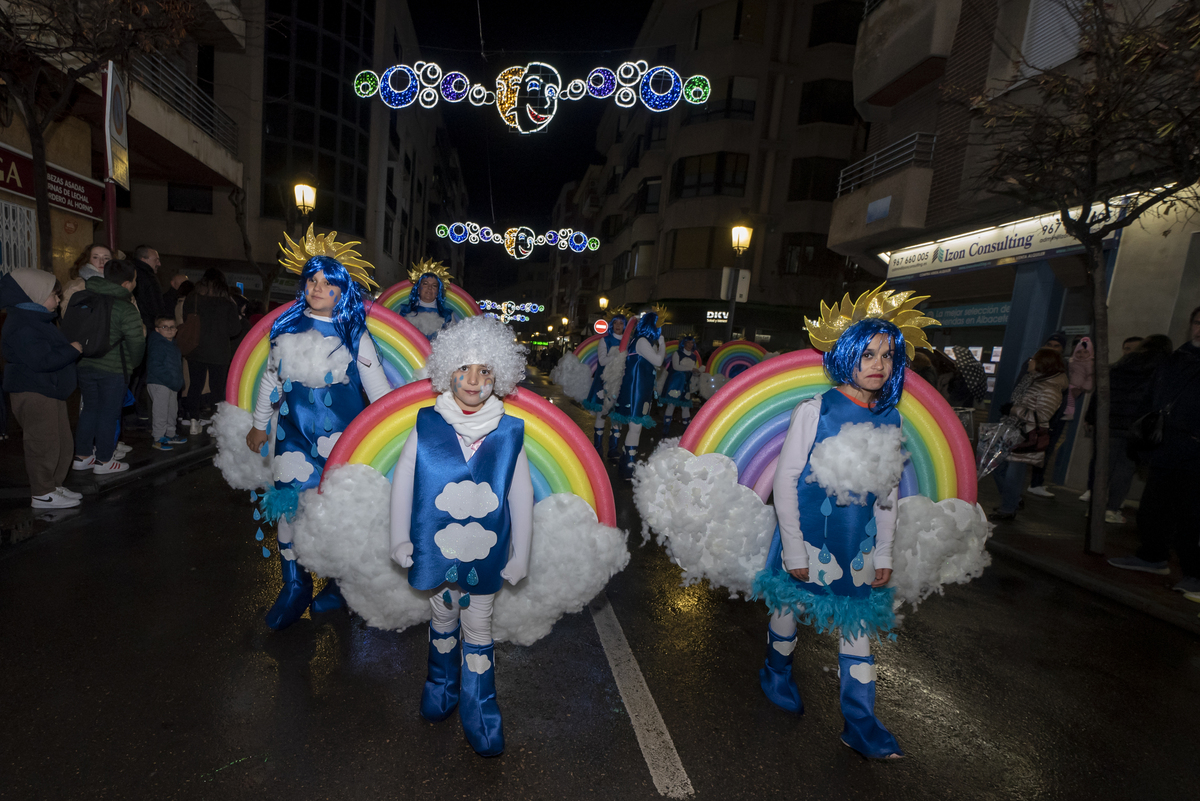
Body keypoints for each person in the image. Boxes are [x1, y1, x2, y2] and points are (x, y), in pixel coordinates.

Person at [752, 317, 908, 760]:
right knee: (790, 604)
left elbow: (889, 492)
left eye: (887, 355)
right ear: (847, 357)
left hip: (854, 545)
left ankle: (860, 725)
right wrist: (795, 546)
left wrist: (883, 552)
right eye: (868, 354)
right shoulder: (815, 410)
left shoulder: (890, 416)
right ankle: (776, 673)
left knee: (855, 626)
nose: (878, 364)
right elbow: (785, 480)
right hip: (810, 537)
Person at [389, 315, 532, 758]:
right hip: (435, 552)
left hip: (485, 557)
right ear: (447, 371)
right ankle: (440, 687)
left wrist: (521, 552)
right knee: (441, 619)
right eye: (464, 369)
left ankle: (480, 708)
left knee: (478, 628)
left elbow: (521, 494)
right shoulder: (427, 423)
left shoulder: (509, 432)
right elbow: (404, 480)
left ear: (499, 378)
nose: (474, 380)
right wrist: (399, 537)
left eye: (485, 371)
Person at [245, 247, 391, 630]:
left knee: (337, 515)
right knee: (289, 509)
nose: (317, 287)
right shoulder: (287, 329)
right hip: (293, 439)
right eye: (312, 280)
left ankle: (339, 586)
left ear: (343, 292)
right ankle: (294, 586)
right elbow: (270, 381)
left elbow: (380, 395)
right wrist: (260, 424)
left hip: (342, 444)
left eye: (328, 283)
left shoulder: (355, 335)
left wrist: (390, 439)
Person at [1109, 306, 1200, 593]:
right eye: (1198, 322)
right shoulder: (1175, 359)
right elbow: (1152, 397)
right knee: (1154, 508)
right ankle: (1152, 556)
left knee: (1190, 516)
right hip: (1166, 446)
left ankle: (1195, 574)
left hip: (1195, 452)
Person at [0, 269, 83, 508]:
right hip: (33, 390)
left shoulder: (36, 319)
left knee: (60, 440)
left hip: (47, 388)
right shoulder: (22, 324)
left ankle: (53, 485)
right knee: (42, 442)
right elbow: (41, 360)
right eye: (54, 295)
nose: (59, 300)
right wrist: (72, 350)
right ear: (34, 295)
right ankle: (42, 491)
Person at [1082, 334, 1172, 521]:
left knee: (1103, 466)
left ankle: (1094, 508)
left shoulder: (1122, 363)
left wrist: (1091, 417)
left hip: (1109, 421)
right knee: (1125, 468)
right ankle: (1112, 509)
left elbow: (1102, 391)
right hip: (1135, 425)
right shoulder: (1164, 368)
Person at [70, 259, 145, 474]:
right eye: (134, 281)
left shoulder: (86, 298)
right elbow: (137, 343)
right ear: (126, 284)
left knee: (90, 410)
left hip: (84, 364)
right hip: (114, 370)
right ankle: (104, 460)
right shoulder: (126, 308)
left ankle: (82, 456)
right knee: (109, 414)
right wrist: (133, 364)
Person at [989, 347, 1068, 521]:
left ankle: (1008, 509)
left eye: (1033, 359)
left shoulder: (1050, 388)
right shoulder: (1033, 381)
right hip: (1015, 431)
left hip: (1028, 436)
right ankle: (1013, 500)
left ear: (1043, 363)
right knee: (997, 468)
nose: (1030, 361)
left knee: (1013, 475)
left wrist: (1014, 410)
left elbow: (1042, 416)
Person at [181, 269, 245, 434]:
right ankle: (217, 423)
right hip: (219, 352)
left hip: (196, 349)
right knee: (217, 388)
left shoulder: (192, 298)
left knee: (195, 385)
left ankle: (194, 421)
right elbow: (234, 330)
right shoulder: (227, 303)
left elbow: (185, 319)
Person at [610, 311, 665, 478]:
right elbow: (658, 361)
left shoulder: (641, 341)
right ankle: (628, 466)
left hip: (639, 389)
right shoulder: (641, 341)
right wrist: (662, 344)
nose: (660, 330)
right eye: (659, 326)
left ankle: (627, 465)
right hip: (636, 390)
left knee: (635, 428)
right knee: (635, 427)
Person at [581, 313, 627, 458]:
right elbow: (602, 361)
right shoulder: (605, 340)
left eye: (621, 323)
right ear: (612, 325)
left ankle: (613, 450)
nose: (618, 326)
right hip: (604, 383)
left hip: (621, 383)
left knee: (617, 417)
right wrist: (618, 355)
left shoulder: (629, 342)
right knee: (602, 414)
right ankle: (598, 448)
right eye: (616, 323)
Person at [146, 317, 187, 451]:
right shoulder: (158, 344)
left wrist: (177, 381)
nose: (169, 330)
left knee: (171, 410)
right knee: (161, 411)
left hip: (171, 383)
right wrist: (172, 380)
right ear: (157, 330)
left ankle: (170, 433)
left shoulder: (172, 345)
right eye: (165, 327)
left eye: (172, 327)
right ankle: (158, 438)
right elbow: (155, 366)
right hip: (160, 383)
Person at [399, 267, 454, 341]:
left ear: (438, 292)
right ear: (418, 289)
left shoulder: (448, 316)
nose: (429, 288)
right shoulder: (403, 312)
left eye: (434, 285)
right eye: (425, 284)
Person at [660, 335, 701, 433]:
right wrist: (691, 369)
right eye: (688, 343)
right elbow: (676, 367)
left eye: (692, 343)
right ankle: (666, 427)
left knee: (685, 406)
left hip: (686, 383)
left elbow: (693, 369)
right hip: (675, 383)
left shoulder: (693, 356)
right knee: (671, 405)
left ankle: (687, 430)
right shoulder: (677, 353)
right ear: (684, 343)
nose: (690, 345)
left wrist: (696, 373)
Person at [62, 243, 112, 313]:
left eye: (106, 258)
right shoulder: (76, 286)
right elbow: (67, 316)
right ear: (87, 260)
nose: (102, 262)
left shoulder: (120, 284)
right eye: (95, 257)